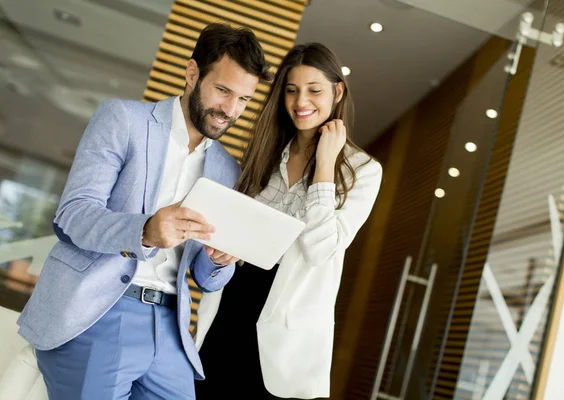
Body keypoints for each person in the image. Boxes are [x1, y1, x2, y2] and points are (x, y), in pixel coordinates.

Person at [16, 23, 272, 400]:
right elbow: (72, 215)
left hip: (170, 329)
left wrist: (221, 260)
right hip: (98, 313)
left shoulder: (227, 170)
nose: (230, 110)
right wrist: (146, 231)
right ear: (191, 73)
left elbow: (208, 278)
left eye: (244, 100)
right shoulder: (122, 120)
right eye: (223, 91)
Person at [195, 42, 383, 399]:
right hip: (231, 308)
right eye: (292, 91)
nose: (301, 102)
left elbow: (320, 248)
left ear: (337, 91)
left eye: (315, 91)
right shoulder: (265, 151)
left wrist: (325, 165)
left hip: (284, 333)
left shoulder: (364, 171)